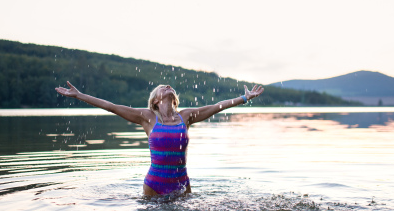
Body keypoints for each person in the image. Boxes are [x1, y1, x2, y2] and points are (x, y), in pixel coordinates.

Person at [55, 81, 264, 196]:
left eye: (169, 86)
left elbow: (217, 107)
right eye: (163, 87)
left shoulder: (186, 116)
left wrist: (244, 98)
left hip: (182, 184)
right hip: (154, 185)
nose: (168, 86)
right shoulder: (147, 118)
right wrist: (79, 95)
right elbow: (111, 106)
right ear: (155, 100)